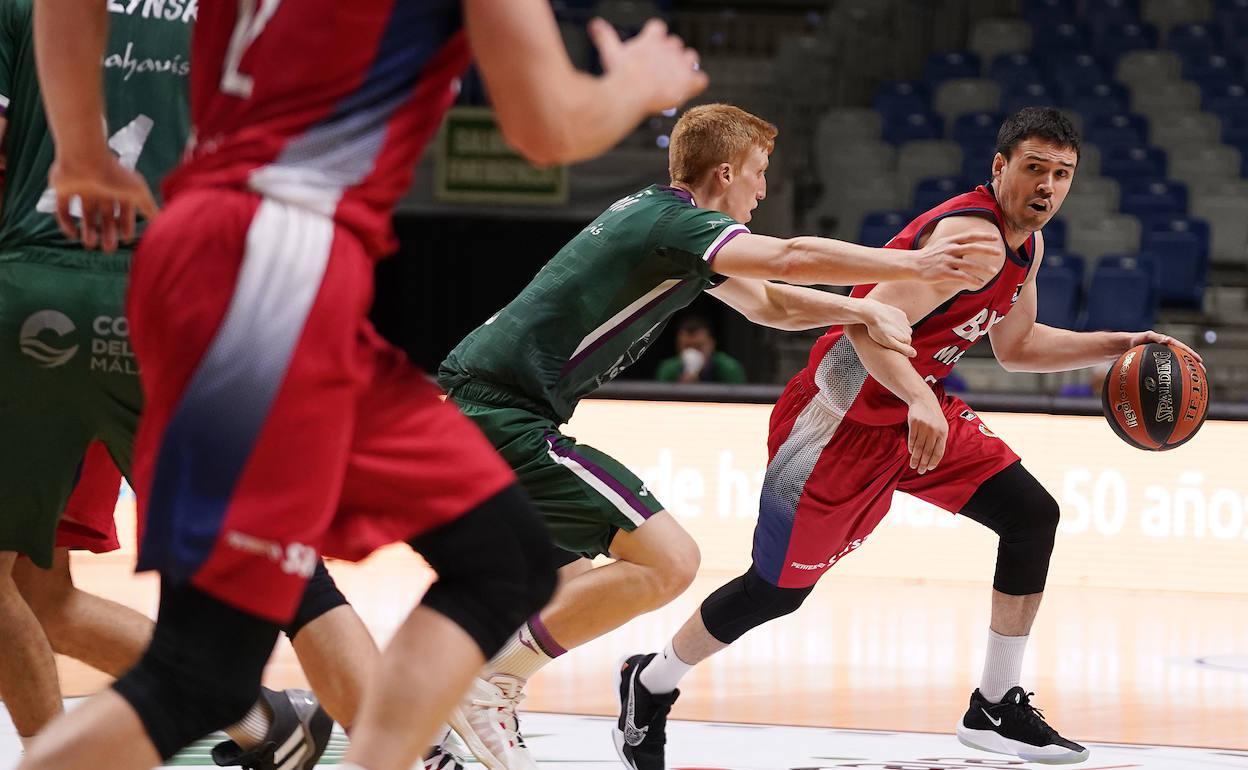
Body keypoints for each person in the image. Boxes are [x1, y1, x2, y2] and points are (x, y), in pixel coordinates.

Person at [24, 2, 711, 770]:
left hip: (197, 251)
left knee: (222, 663)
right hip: (276, 259)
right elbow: (547, 125)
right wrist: (634, 85)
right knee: (210, 665)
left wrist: (79, 147)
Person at [619, 106, 1205, 769]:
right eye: (1034, 169)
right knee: (777, 592)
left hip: (913, 412)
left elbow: (1016, 347)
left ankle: (995, 702)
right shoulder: (974, 242)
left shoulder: (1026, 246)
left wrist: (1118, 345)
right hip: (838, 421)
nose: (1047, 187)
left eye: (1062, 174)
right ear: (1000, 168)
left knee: (1030, 515)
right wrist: (921, 397)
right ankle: (651, 679)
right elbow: (868, 328)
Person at [434, 102, 1002, 770]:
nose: (763, 190)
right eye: (759, 173)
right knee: (667, 560)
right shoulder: (676, 222)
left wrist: (860, 308)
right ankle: (487, 688)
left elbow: (772, 303)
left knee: (558, 585)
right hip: (500, 414)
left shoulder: (665, 227)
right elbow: (789, 259)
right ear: (726, 171)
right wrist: (914, 268)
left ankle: (438, 725)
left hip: (479, 409)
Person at [0, 4, 383, 767]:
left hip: (38, 291)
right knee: (274, 567)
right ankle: (400, 743)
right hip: (183, 301)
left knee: (35, 591)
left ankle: (69, 753)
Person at [655, 315, 747, 384]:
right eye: (687, 347)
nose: (692, 352)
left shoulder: (729, 368)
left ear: (711, 344)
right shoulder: (668, 369)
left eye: (698, 346)